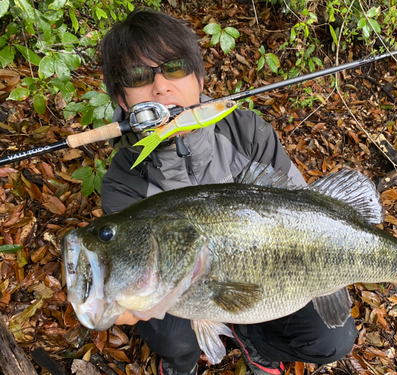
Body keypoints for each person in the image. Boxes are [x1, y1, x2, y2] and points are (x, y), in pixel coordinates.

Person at [99, 7, 358, 375]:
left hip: (267, 274)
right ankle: (181, 362)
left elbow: (304, 211)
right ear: (123, 101)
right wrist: (119, 303)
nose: (160, 86)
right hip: (185, 293)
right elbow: (133, 269)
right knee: (175, 339)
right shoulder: (124, 180)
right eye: (138, 75)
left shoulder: (247, 131)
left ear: (200, 79)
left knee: (331, 339)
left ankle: (256, 344)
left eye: (173, 67)